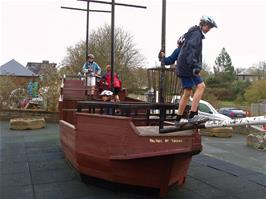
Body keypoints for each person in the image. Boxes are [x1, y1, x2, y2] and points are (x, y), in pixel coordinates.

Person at [160, 15, 217, 125]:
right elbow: (191, 51)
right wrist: (195, 66)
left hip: (183, 67)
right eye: (209, 27)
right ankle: (193, 115)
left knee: (187, 92)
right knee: (201, 86)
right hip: (188, 66)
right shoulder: (196, 34)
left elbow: (171, 60)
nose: (209, 30)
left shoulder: (192, 35)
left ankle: (178, 118)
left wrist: (162, 58)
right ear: (203, 24)